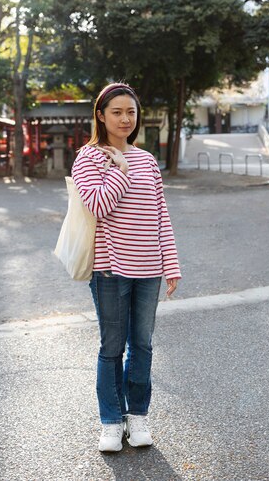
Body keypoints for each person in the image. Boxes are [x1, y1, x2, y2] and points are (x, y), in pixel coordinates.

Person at [71, 82, 181, 453]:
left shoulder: (149, 160)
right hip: (110, 270)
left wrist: (171, 263)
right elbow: (98, 206)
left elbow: (160, 215)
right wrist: (119, 167)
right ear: (101, 115)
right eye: (116, 112)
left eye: (130, 112)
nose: (124, 119)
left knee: (144, 346)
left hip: (149, 268)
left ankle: (138, 417)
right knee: (112, 347)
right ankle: (110, 422)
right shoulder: (88, 158)